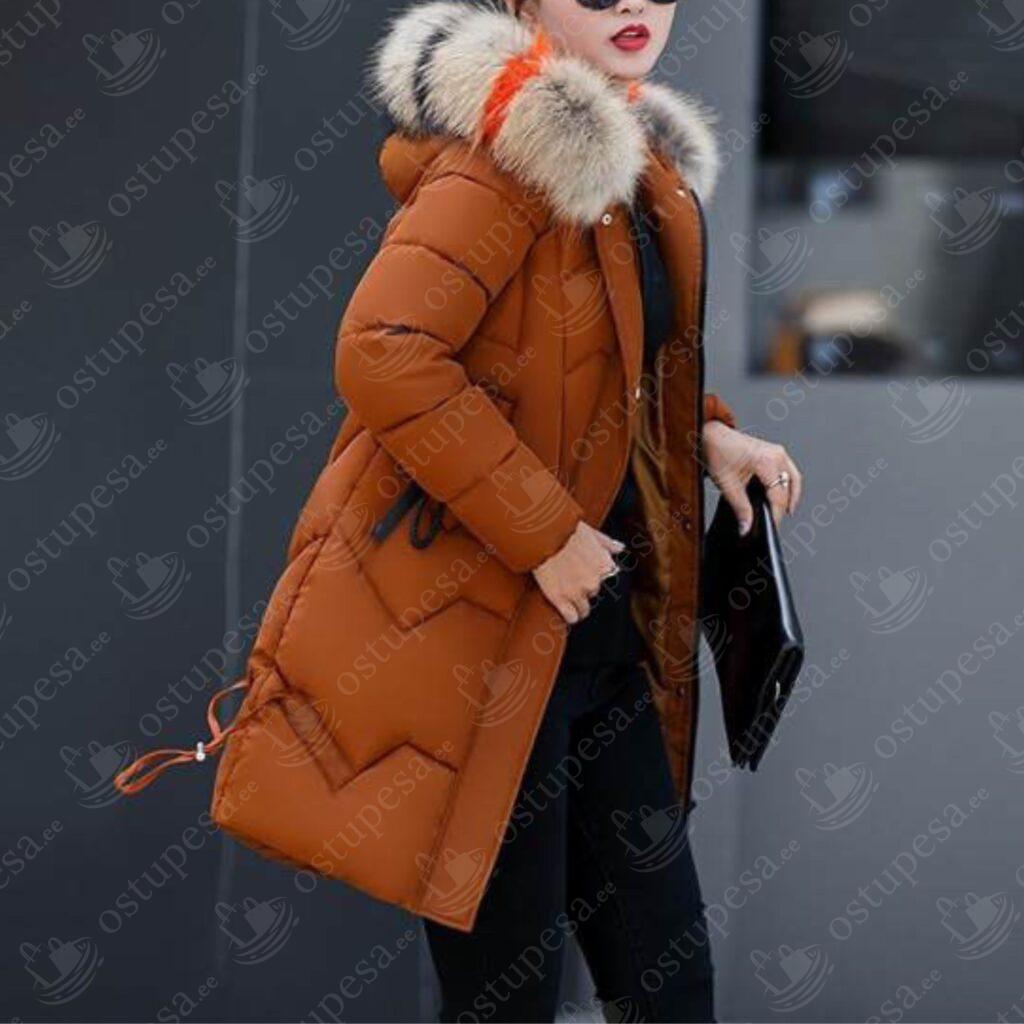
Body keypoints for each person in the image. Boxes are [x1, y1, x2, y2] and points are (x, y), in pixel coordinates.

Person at [116, 0, 804, 1019]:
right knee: (507, 994)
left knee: (669, 983)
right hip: (491, 650)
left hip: (599, 638)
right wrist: (546, 532)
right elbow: (384, 351)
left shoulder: (629, 166)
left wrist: (707, 435)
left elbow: (605, 362)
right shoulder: (506, 161)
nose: (631, 4)